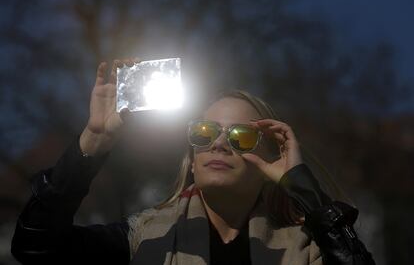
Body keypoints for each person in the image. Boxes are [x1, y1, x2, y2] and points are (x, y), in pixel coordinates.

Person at [11, 59, 376, 265]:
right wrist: (95, 140)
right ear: (191, 157)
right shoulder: (143, 239)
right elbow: (35, 248)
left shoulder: (312, 247)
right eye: (204, 132)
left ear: (269, 160)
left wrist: (301, 187)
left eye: (241, 136)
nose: (219, 143)